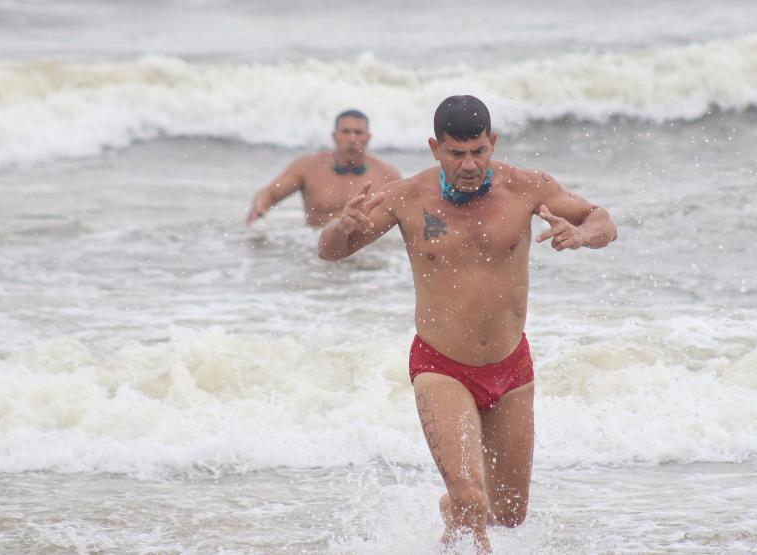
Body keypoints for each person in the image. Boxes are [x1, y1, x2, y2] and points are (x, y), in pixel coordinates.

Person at [318, 95, 618, 551]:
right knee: (471, 500)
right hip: (441, 367)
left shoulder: (527, 187)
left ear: (492, 143)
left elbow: (603, 219)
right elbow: (331, 252)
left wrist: (582, 234)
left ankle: (454, 510)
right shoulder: (407, 197)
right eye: (457, 153)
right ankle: (461, 507)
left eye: (479, 151)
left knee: (510, 514)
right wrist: (341, 226)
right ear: (435, 148)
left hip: (511, 368)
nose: (470, 164)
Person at [246, 109, 401, 226]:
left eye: (358, 132)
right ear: (335, 136)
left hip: (367, 254)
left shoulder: (387, 175)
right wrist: (259, 208)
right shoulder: (308, 167)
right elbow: (269, 195)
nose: (352, 138)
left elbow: (409, 213)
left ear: (368, 137)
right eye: (346, 132)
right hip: (315, 250)